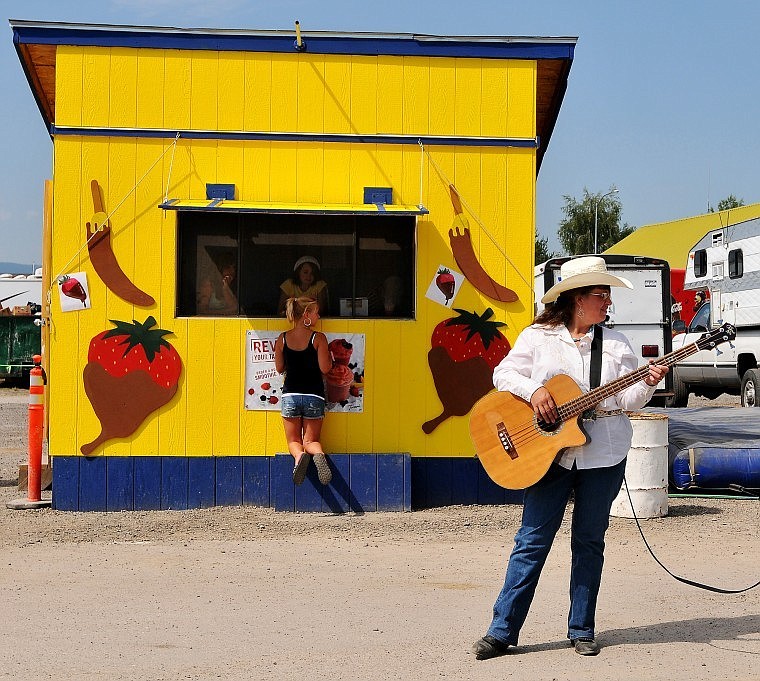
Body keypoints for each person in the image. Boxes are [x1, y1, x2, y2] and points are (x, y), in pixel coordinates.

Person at [472, 255, 669, 660]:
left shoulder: (616, 344)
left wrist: (647, 383)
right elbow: (502, 375)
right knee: (531, 541)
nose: (608, 302)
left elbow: (627, 400)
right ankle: (501, 631)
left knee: (589, 541)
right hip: (546, 456)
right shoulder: (537, 337)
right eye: (602, 294)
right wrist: (536, 392)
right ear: (578, 298)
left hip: (604, 454)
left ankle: (582, 628)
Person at [274, 296, 333, 486]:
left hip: (290, 395)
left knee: (293, 441)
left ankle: (299, 457)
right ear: (306, 315)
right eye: (316, 312)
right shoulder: (318, 338)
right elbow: (325, 369)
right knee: (311, 441)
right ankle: (318, 454)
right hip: (314, 395)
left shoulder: (282, 338)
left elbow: (280, 367)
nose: (319, 316)